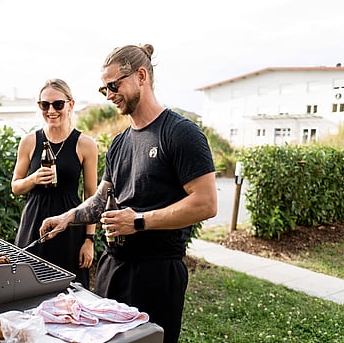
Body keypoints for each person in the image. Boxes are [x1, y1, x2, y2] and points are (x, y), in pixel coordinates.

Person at [39, 44, 218, 343]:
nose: (108, 95)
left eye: (113, 85)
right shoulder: (120, 142)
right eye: (103, 89)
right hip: (112, 268)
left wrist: (138, 221)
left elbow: (206, 203)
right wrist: (66, 217)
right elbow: (101, 198)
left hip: (157, 273)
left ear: (141, 76)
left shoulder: (181, 133)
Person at [12, 78, 98, 289]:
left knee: (70, 292)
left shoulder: (85, 144)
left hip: (69, 227)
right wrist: (33, 179)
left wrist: (89, 240)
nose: (51, 110)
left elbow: (92, 196)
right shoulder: (30, 141)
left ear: (71, 105)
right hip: (34, 222)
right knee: (26, 287)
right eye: (45, 105)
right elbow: (15, 186)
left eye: (58, 104)